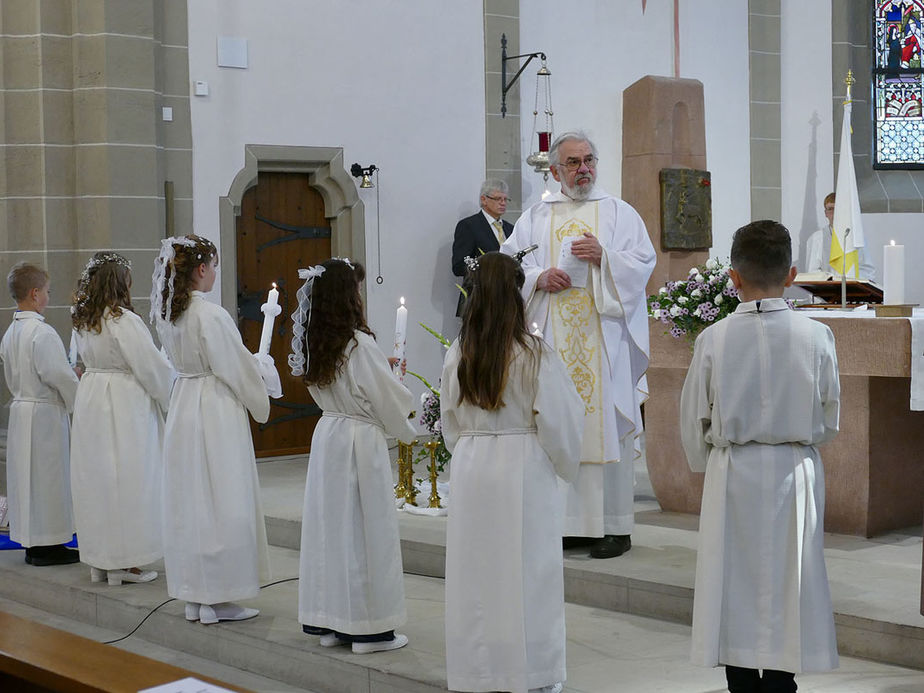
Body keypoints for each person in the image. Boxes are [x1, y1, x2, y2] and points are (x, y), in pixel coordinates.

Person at [680, 220, 840, 693]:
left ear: (733, 277)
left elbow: (694, 421)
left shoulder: (713, 338)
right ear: (792, 274)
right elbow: (830, 418)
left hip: (733, 471)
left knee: (735, 583)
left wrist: (704, 462)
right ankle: (783, 680)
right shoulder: (816, 335)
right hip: (795, 470)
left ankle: (742, 681)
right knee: (791, 579)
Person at [501, 131, 656, 559]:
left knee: (605, 421)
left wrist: (606, 257)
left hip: (603, 340)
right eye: (573, 162)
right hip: (550, 340)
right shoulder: (535, 216)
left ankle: (613, 527)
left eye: (588, 159)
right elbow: (509, 264)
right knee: (555, 421)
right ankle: (565, 524)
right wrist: (537, 278)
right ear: (554, 170)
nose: (583, 168)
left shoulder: (619, 214)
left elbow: (643, 262)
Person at [441, 252, 582, 693]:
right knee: (529, 571)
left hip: (472, 462)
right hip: (522, 462)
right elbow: (559, 420)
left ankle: (477, 672)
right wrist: (563, 465)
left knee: (476, 573)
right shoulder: (534, 352)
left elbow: (449, 423)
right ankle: (534, 674)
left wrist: (472, 447)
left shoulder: (458, 351)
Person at [151, 235, 277, 625]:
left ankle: (196, 595)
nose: (216, 273)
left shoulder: (167, 313)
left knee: (193, 502)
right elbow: (235, 368)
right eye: (214, 266)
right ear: (201, 269)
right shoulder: (210, 315)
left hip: (185, 403)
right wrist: (260, 373)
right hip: (214, 409)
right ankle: (219, 596)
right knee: (222, 500)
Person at [291, 258, 415, 654]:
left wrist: (382, 369)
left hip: (329, 435)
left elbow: (345, 384)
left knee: (333, 531)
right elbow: (386, 400)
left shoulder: (315, 343)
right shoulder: (360, 344)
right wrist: (405, 413)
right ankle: (369, 630)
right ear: (348, 296)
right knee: (365, 533)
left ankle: (332, 623)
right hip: (360, 441)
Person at [69, 252, 174, 586]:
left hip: (92, 398)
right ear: (120, 282)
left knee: (98, 481)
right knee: (129, 480)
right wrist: (172, 397)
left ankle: (101, 561)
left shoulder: (84, 318)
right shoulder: (123, 320)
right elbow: (149, 367)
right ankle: (127, 562)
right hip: (124, 403)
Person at [1, 262, 80, 566]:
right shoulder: (41, 332)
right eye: (47, 291)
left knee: (27, 480)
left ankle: (35, 543)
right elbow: (57, 376)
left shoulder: (12, 331)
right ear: (35, 294)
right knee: (48, 480)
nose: (49, 296)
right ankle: (49, 545)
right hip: (44, 414)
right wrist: (78, 389)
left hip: (22, 411)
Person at [451, 179, 514, 316]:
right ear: (484, 199)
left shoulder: (510, 229)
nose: (503, 203)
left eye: (505, 199)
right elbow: (458, 265)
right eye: (498, 199)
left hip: (506, 300)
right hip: (479, 300)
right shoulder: (469, 226)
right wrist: (488, 270)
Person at [803, 192, 876, 280]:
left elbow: (868, 270)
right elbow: (812, 273)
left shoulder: (856, 237)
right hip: (826, 290)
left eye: (837, 208)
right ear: (825, 213)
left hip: (852, 290)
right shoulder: (817, 239)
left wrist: (849, 278)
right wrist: (833, 279)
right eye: (830, 209)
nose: (834, 213)